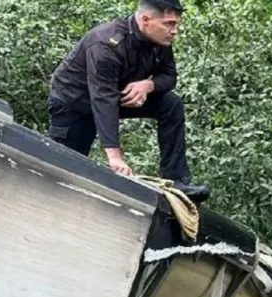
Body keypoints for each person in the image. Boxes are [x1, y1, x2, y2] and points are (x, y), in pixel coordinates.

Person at [47, 0, 210, 203]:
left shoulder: (159, 41)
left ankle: (176, 180)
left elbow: (169, 76)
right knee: (63, 170)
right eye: (168, 24)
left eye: (176, 24)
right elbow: (102, 100)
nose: (174, 31)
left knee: (171, 104)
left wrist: (147, 85)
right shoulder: (106, 44)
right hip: (74, 104)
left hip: (116, 97)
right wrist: (115, 158)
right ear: (145, 19)